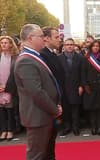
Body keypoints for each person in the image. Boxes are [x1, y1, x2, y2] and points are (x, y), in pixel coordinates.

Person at [14, 24, 62, 160]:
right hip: (38, 116)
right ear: (30, 38)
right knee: (36, 155)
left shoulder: (34, 56)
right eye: (41, 36)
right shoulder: (26, 61)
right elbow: (36, 92)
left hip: (45, 114)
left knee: (47, 153)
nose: (44, 39)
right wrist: (55, 109)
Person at [40, 26, 64, 160]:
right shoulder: (43, 55)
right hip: (48, 104)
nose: (59, 39)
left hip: (56, 102)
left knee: (51, 141)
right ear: (47, 38)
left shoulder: (53, 53)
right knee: (45, 142)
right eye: (56, 37)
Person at [81, 40, 100, 135]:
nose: (95, 47)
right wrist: (85, 85)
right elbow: (83, 73)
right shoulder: (86, 58)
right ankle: (93, 127)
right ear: (91, 47)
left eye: (97, 46)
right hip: (90, 87)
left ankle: (99, 127)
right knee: (92, 108)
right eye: (93, 46)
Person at [58, 38, 83, 136]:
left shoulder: (80, 57)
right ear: (64, 46)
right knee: (66, 109)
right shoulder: (59, 58)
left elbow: (82, 73)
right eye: (67, 44)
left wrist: (81, 85)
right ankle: (67, 127)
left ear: (74, 46)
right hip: (64, 87)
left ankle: (76, 127)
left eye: (71, 44)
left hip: (76, 86)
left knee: (75, 109)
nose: (69, 46)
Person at [0, 36, 18, 141]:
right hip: (0, 88)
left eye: (6, 42)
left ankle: (10, 130)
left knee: (10, 110)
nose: (4, 44)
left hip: (10, 87)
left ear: (11, 44)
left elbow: (15, 74)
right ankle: (3, 131)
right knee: (1, 110)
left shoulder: (15, 57)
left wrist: (6, 86)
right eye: (2, 43)